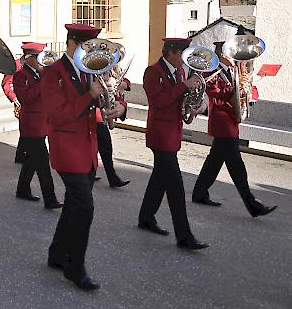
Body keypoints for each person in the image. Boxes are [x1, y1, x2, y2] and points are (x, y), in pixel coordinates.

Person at [42, 24, 126, 291]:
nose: (92, 54)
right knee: (85, 208)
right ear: (72, 44)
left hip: (88, 149)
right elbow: (56, 116)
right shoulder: (52, 73)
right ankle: (75, 267)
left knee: (73, 206)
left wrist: (118, 107)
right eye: (87, 47)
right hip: (67, 149)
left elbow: (109, 100)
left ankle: (56, 253)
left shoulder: (92, 70)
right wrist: (89, 97)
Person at [138, 38, 209, 251]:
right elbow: (158, 102)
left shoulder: (180, 72)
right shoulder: (153, 71)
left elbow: (183, 99)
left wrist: (197, 105)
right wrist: (183, 86)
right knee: (176, 187)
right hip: (160, 134)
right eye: (183, 55)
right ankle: (184, 235)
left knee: (159, 179)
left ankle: (146, 217)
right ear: (171, 53)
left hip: (173, 133)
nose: (185, 60)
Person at [192, 41, 276, 217]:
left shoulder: (234, 71)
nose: (235, 58)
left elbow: (240, 91)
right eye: (232, 54)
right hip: (222, 124)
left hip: (231, 123)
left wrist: (247, 89)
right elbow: (215, 94)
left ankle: (199, 193)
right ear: (223, 54)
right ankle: (252, 205)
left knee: (214, 163)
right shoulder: (212, 71)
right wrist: (235, 91)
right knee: (237, 167)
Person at [13, 42, 61, 209]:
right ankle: (50, 199)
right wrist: (43, 82)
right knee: (42, 163)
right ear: (28, 58)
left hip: (43, 123)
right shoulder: (20, 76)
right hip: (31, 125)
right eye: (37, 57)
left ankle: (22, 189)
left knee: (31, 160)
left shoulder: (42, 73)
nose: (41, 60)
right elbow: (25, 98)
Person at [94, 75, 131, 188]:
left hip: (100, 111)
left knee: (104, 146)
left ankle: (110, 176)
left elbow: (124, 80)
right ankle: (111, 177)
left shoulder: (110, 69)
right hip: (93, 112)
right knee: (104, 145)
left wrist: (123, 84)